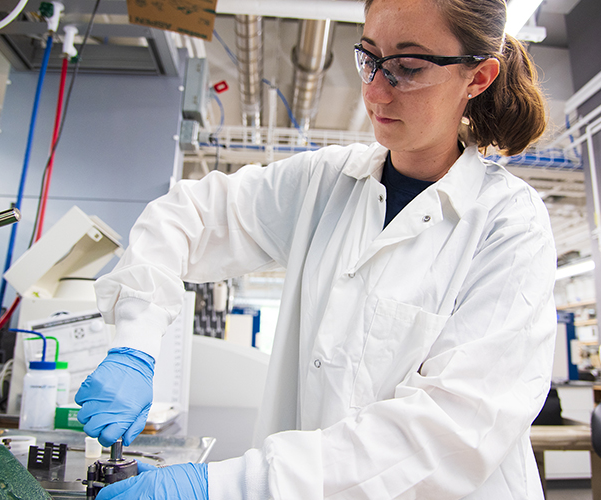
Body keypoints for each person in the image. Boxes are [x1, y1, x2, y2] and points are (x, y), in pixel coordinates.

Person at [75, 0, 557, 498]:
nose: (374, 90)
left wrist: (222, 487)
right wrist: (136, 341)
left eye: (408, 68)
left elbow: (451, 431)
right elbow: (186, 217)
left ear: (477, 78)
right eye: (369, 57)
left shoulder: (509, 224)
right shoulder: (324, 182)